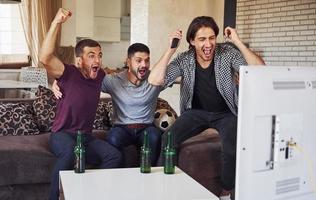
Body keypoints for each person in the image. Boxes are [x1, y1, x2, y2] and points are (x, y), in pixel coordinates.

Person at [148, 16, 265, 200]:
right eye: (202, 39)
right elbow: (154, 80)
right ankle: (162, 185)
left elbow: (260, 70)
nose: (209, 44)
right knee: (168, 138)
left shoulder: (227, 53)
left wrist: (237, 41)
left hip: (226, 112)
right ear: (192, 41)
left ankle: (226, 192)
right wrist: (170, 50)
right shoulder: (184, 59)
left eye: (212, 38)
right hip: (195, 112)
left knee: (231, 148)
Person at [53, 39, 181, 166]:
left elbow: (172, 71)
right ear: (128, 62)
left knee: (154, 136)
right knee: (114, 138)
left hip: (146, 127)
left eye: (147, 60)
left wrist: (171, 49)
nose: (144, 65)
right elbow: (83, 78)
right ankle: (120, 174)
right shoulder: (113, 81)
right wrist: (60, 82)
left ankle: (148, 173)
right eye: (138, 61)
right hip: (122, 128)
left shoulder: (154, 80)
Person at [39, 8, 122, 200]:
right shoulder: (68, 73)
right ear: (79, 61)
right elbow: (45, 58)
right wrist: (55, 23)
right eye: (91, 55)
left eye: (99, 55)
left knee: (114, 156)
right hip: (62, 135)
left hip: (85, 137)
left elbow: (122, 79)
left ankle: (91, 193)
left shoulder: (100, 75)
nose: (98, 60)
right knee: (68, 153)